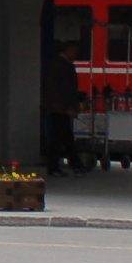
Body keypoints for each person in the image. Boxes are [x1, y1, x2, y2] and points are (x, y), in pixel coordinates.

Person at [43, 46, 81, 174]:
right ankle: (69, 165)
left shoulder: (56, 65)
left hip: (58, 108)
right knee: (60, 138)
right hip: (60, 109)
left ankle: (73, 164)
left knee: (62, 137)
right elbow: (65, 90)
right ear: (67, 50)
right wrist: (68, 107)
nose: (76, 54)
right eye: (74, 51)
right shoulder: (63, 67)